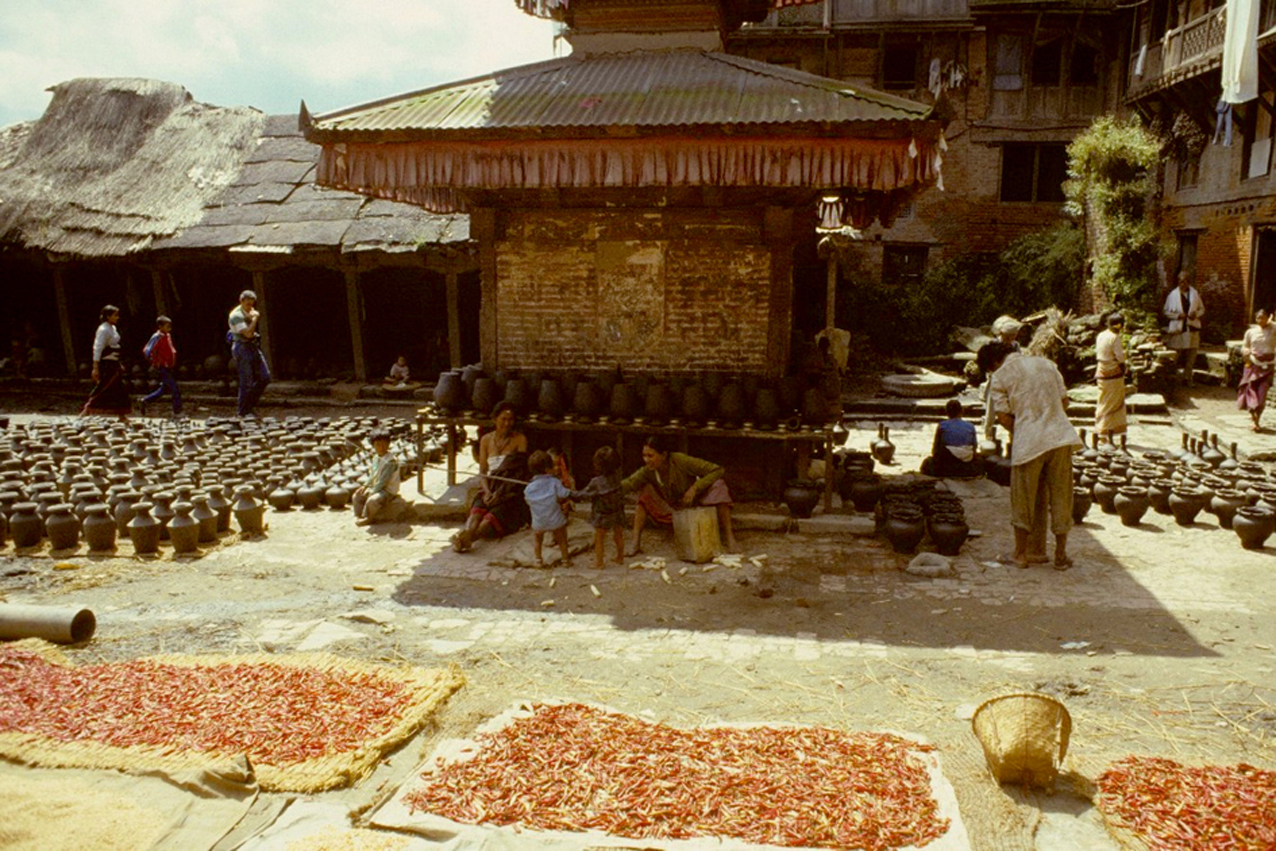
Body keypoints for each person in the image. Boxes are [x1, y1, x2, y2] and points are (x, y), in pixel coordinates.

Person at [981, 339, 1082, 570]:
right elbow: (1065, 401)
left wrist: (1027, 428)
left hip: (1029, 442)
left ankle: (1020, 554)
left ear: (994, 362)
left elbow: (1003, 417)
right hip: (1060, 436)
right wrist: (1047, 417)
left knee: (1023, 499)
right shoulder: (1046, 364)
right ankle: (1060, 555)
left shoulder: (1000, 375)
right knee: (1061, 497)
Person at [622, 435, 738, 555]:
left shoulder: (681, 460)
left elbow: (717, 470)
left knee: (719, 485)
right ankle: (635, 543)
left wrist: (695, 488)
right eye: (644, 456)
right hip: (672, 511)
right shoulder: (648, 470)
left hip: (696, 506)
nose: (646, 460)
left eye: (650, 456)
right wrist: (611, 490)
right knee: (645, 493)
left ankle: (730, 538)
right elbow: (630, 483)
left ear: (664, 455)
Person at [452, 402, 531, 552]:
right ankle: (467, 535)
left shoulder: (520, 439)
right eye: (503, 419)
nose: (507, 423)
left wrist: (500, 494)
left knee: (489, 520)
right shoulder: (486, 440)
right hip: (490, 487)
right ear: (494, 419)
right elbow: (483, 471)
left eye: (510, 420)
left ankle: (468, 538)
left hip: (509, 491)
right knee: (476, 515)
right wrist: (487, 491)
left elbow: (519, 473)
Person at [524, 450, 579, 567]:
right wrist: (572, 493)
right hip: (555, 520)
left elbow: (527, 500)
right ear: (547, 469)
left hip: (538, 521)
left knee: (538, 540)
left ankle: (538, 560)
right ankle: (565, 560)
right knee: (562, 539)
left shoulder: (529, 487)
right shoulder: (555, 482)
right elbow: (564, 493)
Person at [576, 445, 626, 569]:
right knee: (618, 535)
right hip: (617, 511)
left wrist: (568, 493)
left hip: (602, 514)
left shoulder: (596, 482)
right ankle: (620, 557)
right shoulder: (617, 477)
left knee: (599, 538)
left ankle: (599, 562)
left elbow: (583, 494)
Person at [81, 305, 130, 418]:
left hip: (114, 361)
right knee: (104, 386)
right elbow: (98, 348)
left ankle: (121, 415)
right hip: (107, 363)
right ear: (108, 316)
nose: (117, 318)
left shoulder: (113, 328)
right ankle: (86, 410)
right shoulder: (103, 330)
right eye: (115, 315)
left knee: (119, 388)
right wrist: (95, 367)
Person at [228, 289, 270, 418]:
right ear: (241, 301)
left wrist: (252, 316)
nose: (250, 307)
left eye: (252, 304)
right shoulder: (236, 316)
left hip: (252, 346)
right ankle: (243, 412)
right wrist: (255, 318)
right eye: (247, 304)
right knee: (246, 382)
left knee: (265, 377)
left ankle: (249, 406)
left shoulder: (249, 311)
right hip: (242, 347)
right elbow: (248, 333)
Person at [353, 426, 408, 525]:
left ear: (389, 444)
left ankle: (369, 518)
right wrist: (365, 486)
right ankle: (358, 515)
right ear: (373, 445)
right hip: (377, 486)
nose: (381, 447)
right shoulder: (376, 457)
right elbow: (373, 474)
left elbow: (383, 481)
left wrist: (372, 492)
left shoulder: (391, 461)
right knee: (357, 495)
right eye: (378, 444)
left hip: (387, 490)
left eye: (384, 444)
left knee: (372, 500)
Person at [982, 316, 1023, 441]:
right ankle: (988, 432)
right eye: (1008, 336)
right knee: (991, 409)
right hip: (996, 379)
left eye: (1013, 336)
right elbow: (986, 362)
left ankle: (1013, 434)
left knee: (1013, 408)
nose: (1010, 339)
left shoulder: (1015, 346)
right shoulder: (993, 345)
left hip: (1010, 380)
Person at [1163, 272, 1204, 389]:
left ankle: (1187, 378)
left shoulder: (1195, 294)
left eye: (1185, 281)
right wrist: (1177, 316)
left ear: (1188, 282)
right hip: (1178, 329)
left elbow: (1202, 309)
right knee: (1175, 354)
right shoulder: (1172, 295)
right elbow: (1166, 311)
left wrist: (1196, 314)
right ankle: (1171, 379)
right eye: (1180, 282)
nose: (1182, 284)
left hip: (1192, 328)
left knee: (1191, 355)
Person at [1238, 307, 1276, 432]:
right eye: (1258, 318)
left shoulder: (1273, 330)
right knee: (1251, 391)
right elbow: (1245, 346)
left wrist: (1271, 322)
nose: (1261, 320)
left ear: (1268, 318)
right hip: (1253, 364)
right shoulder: (1250, 332)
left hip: (1268, 364)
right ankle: (1254, 420)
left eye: (1263, 318)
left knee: (1262, 394)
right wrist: (1246, 351)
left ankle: (1257, 418)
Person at [921, 399, 981, 478]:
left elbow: (935, 450)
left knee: (927, 463)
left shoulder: (942, 425)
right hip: (966, 465)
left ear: (947, 413)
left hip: (947, 465)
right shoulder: (970, 426)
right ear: (962, 411)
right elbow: (974, 448)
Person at [138, 315, 182, 419]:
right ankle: (178, 412)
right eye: (167, 326)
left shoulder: (167, 336)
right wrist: (155, 362)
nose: (169, 328)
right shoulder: (157, 337)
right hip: (162, 367)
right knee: (175, 388)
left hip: (168, 366)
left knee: (164, 390)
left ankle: (144, 400)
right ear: (160, 327)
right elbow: (147, 350)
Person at [1094, 311, 1127, 444]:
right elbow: (1119, 356)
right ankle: (1104, 431)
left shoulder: (1101, 335)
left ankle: (1104, 430)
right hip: (1112, 372)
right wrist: (1124, 364)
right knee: (1112, 403)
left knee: (1103, 400)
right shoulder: (1114, 337)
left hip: (1101, 370)